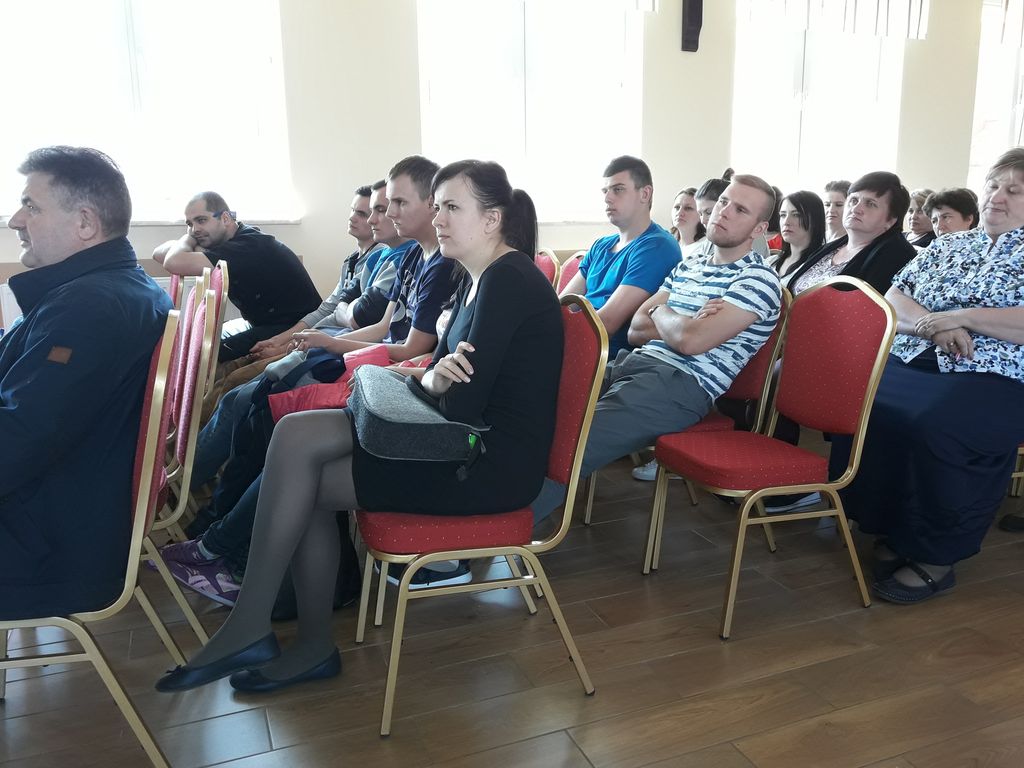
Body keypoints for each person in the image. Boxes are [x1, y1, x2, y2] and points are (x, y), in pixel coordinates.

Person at [155, 159, 562, 693]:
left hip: (486, 464)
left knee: (305, 475)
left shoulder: (507, 281)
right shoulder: (479, 276)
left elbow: (459, 402)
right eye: (436, 206)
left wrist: (431, 380)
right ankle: (270, 630)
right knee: (296, 433)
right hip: (456, 440)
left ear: (492, 219)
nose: (438, 218)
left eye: (451, 207)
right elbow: (441, 376)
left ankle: (269, 631)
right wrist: (432, 378)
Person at [830, 148, 1024, 602]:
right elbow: (894, 296)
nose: (997, 196)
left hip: (996, 374)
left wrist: (963, 317)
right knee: (863, 404)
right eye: (993, 185)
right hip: (918, 354)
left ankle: (937, 552)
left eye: (1014, 191)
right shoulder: (950, 244)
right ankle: (892, 528)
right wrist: (930, 327)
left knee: (935, 422)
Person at [1, 146, 173, 619]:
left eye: (31, 206)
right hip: (61, 516)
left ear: (84, 223)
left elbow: (19, 437)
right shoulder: (110, 288)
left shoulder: (87, 308)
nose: (15, 220)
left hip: (45, 548)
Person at [543, 175, 783, 512]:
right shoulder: (691, 265)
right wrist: (677, 317)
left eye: (740, 210)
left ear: (759, 229)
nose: (724, 211)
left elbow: (690, 341)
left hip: (680, 385)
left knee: (570, 442)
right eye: (724, 201)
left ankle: (496, 532)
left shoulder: (758, 279)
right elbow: (636, 329)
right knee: (535, 409)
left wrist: (666, 315)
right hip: (632, 363)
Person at [153, 192, 321, 362]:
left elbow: (172, 262)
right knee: (198, 345)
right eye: (189, 224)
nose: (195, 229)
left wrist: (188, 240)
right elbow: (158, 253)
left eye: (201, 220)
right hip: (266, 323)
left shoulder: (247, 246)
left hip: (296, 327)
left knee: (203, 357)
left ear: (225, 218)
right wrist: (190, 241)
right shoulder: (231, 242)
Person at [247, 183, 394, 361]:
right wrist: (279, 340)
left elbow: (354, 321)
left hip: (345, 345)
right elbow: (328, 308)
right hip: (324, 337)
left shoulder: (379, 258)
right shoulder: (351, 260)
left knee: (255, 369)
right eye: (352, 210)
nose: (352, 218)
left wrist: (284, 348)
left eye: (362, 214)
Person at [559, 156, 679, 356]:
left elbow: (605, 325)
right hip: (573, 344)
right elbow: (562, 306)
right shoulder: (601, 245)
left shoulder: (657, 246)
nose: (607, 198)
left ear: (645, 194)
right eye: (605, 191)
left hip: (607, 359)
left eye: (618, 189)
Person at [786, 171, 915, 297]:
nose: (856, 209)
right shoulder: (833, 246)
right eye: (853, 200)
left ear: (891, 220)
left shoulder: (897, 255)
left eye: (870, 204)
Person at [771, 190, 826, 280]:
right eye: (783, 215)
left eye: (796, 215)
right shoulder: (771, 262)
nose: (786, 222)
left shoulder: (820, 268)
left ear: (815, 219)